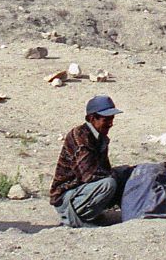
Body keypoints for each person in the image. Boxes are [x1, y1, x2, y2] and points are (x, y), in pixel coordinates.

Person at [50, 95, 132, 227]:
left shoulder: (100, 138)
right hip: (67, 197)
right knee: (108, 184)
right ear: (92, 118)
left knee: (123, 174)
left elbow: (104, 169)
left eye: (112, 119)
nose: (111, 124)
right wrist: (114, 176)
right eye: (106, 119)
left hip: (83, 191)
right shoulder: (79, 137)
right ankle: (77, 217)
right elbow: (89, 175)